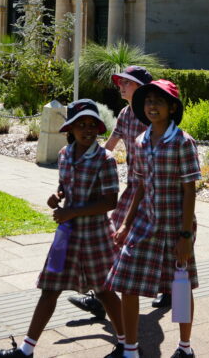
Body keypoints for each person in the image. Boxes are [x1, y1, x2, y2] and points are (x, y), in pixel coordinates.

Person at [0, 100, 125, 358]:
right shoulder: (65, 154)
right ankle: (26, 350)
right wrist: (57, 195)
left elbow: (110, 202)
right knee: (49, 288)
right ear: (70, 129)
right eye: (81, 124)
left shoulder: (105, 159)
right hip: (66, 236)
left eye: (92, 125)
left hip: (96, 237)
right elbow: (65, 185)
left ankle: (126, 345)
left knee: (105, 291)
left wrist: (71, 211)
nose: (87, 129)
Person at [105, 80, 200, 358]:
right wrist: (126, 223)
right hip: (145, 224)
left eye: (159, 101)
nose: (152, 106)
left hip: (176, 227)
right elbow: (140, 185)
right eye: (148, 101)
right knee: (126, 280)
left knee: (180, 287)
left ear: (172, 108)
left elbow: (189, 191)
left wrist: (185, 236)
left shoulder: (183, 142)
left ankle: (185, 348)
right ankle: (130, 349)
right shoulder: (140, 141)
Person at [68, 65, 162, 319]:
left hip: (157, 193)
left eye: (127, 82)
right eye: (120, 81)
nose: (121, 85)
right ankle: (102, 297)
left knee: (169, 248)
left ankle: (172, 294)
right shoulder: (124, 113)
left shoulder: (151, 117)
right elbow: (110, 145)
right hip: (134, 188)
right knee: (114, 237)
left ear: (141, 88)